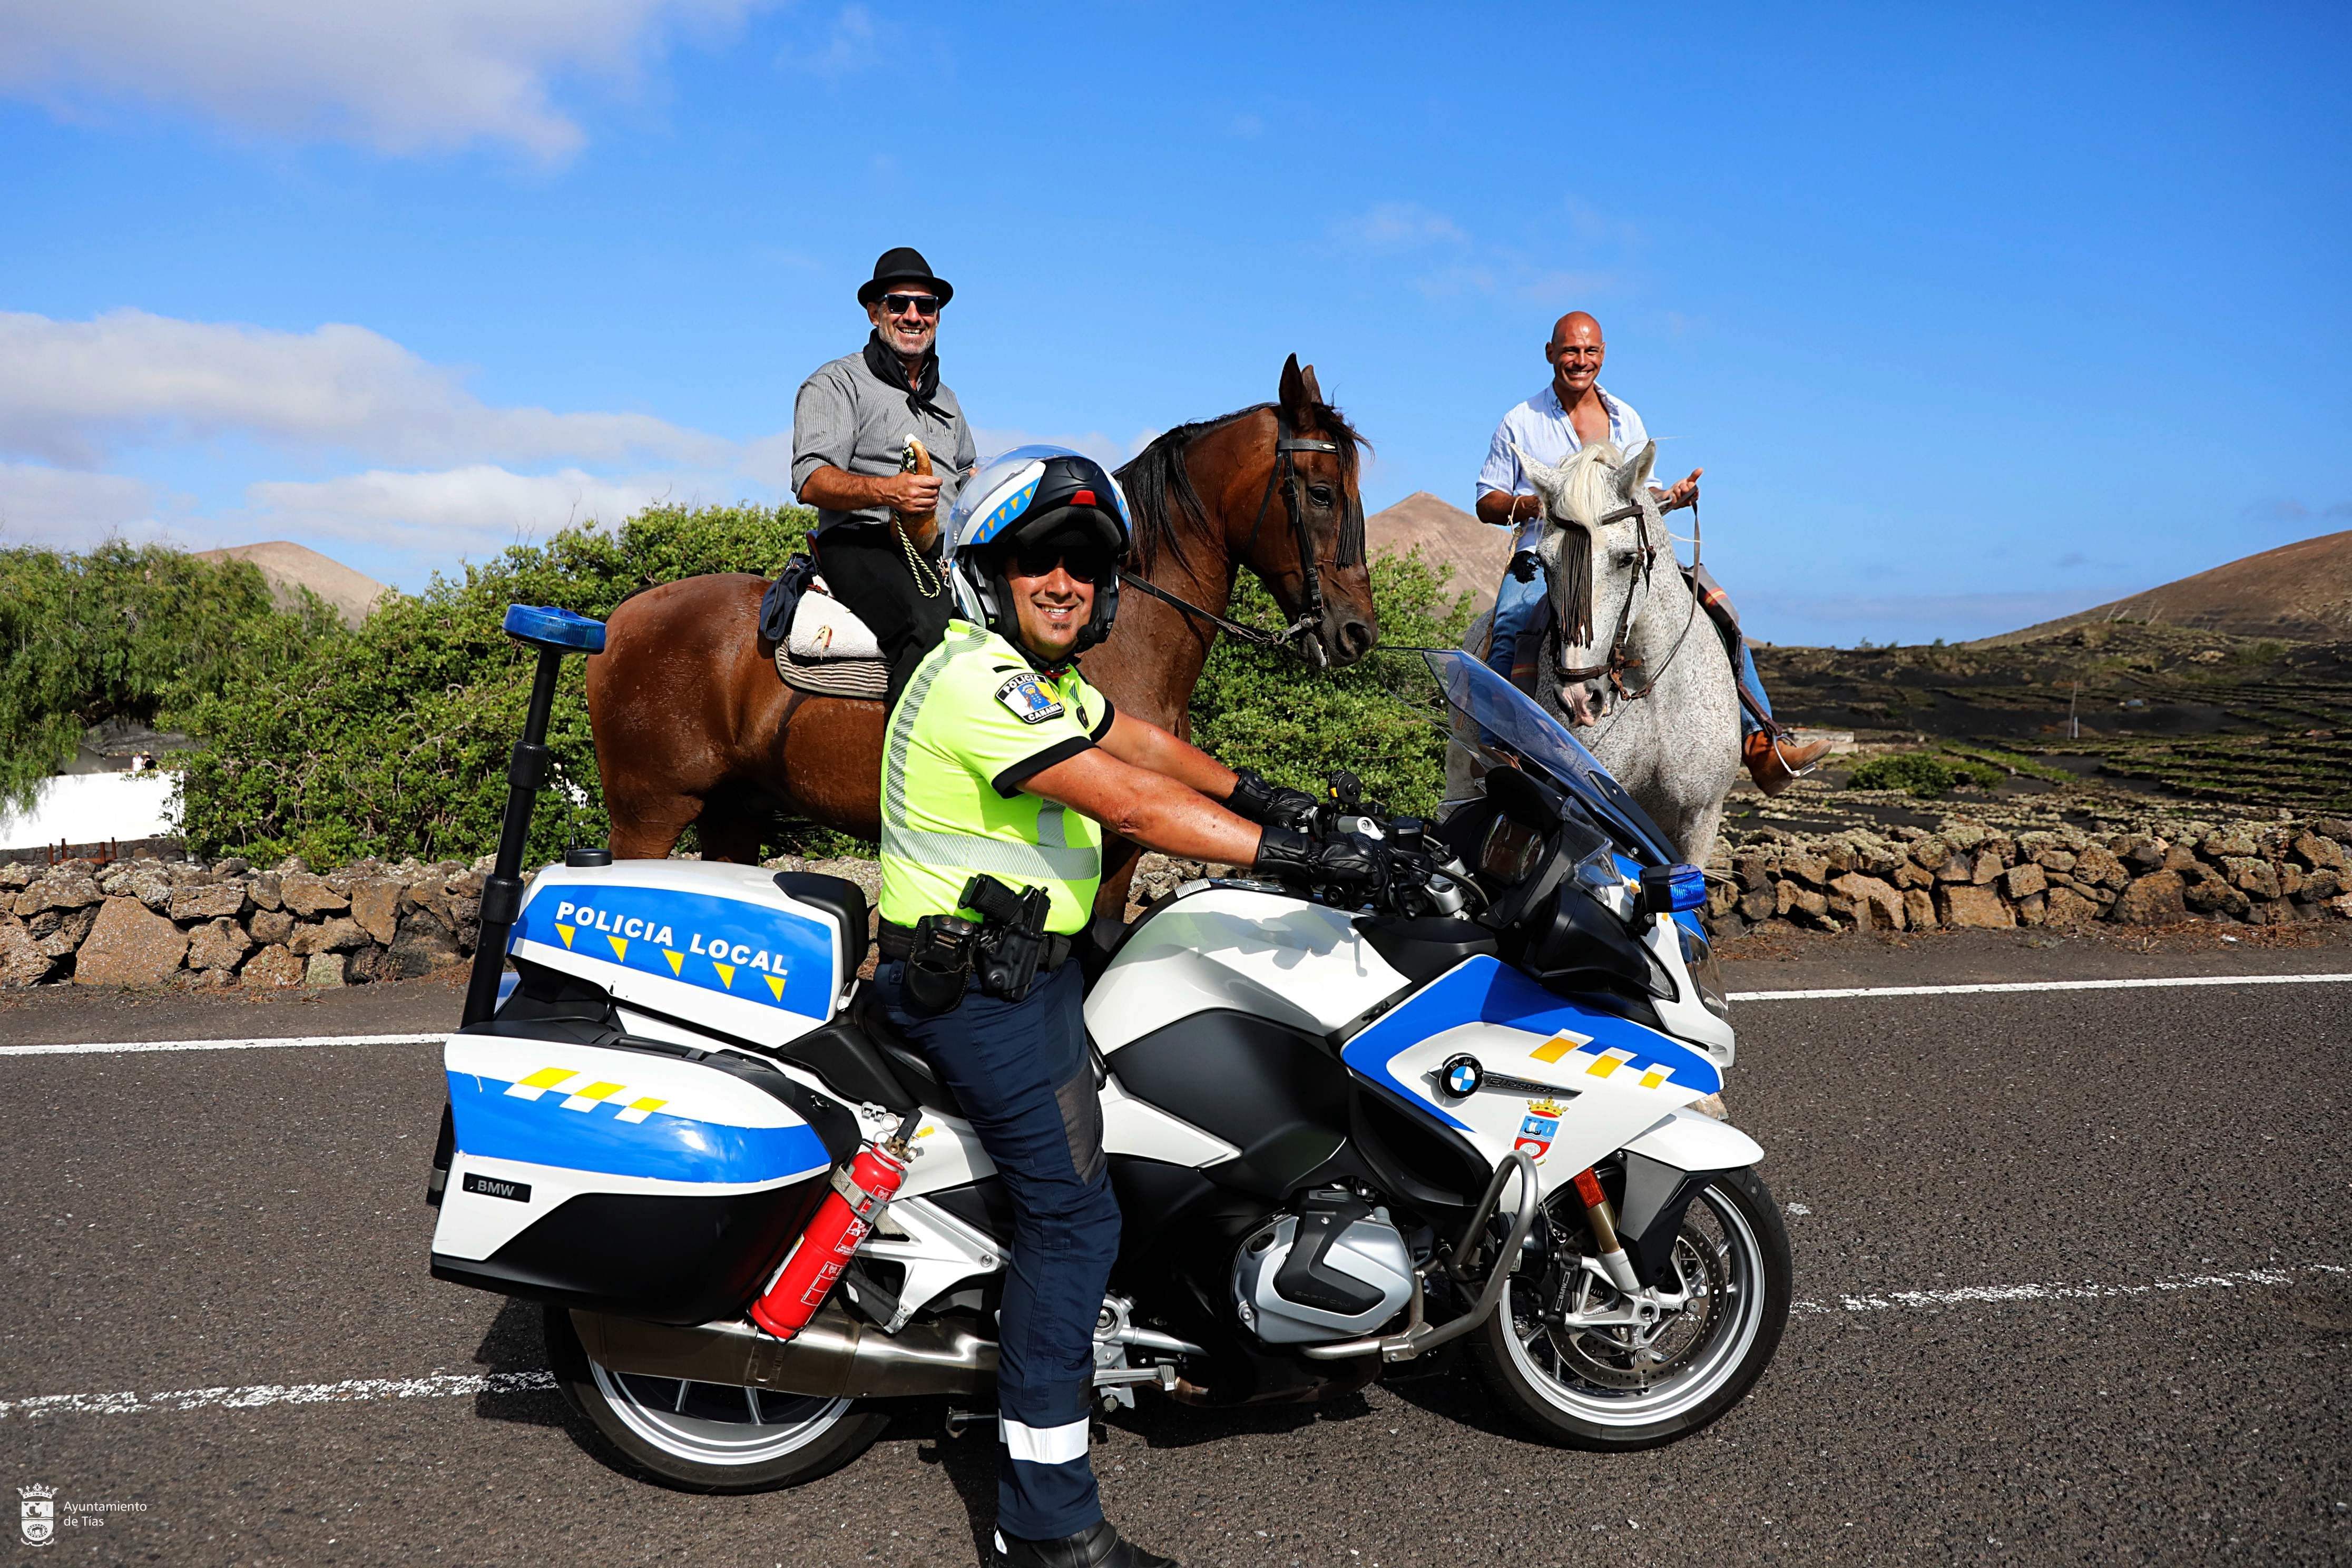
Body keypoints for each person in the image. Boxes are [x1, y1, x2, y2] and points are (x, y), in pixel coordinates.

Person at [869, 446, 1405, 1568]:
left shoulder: (1042, 679)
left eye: (1084, 563)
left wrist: (1272, 798)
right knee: (1073, 1221)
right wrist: (1300, 855)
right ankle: (1045, 1522)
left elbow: (1143, 745)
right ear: (990, 573)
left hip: (1035, 967)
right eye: (1038, 561)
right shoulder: (976, 680)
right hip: (979, 998)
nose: (1064, 581)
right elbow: (1128, 804)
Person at [1474, 311, 1831, 795]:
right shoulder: (1521, 421)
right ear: (1550, 353)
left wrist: (1673, 498)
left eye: (1590, 351)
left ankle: (1762, 744)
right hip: (1551, 551)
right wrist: (1547, 504)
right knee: (1512, 623)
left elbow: (1645, 498)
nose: (1580, 360)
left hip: (1621, 554)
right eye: (1571, 350)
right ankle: (1498, 748)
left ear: (1603, 355)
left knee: (1717, 608)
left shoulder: (1627, 418)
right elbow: (1487, 501)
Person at [792, 246, 981, 700]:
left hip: (943, 552)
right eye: (899, 304)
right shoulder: (837, 382)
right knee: (928, 629)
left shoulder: (949, 401)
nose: (913, 315)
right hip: (860, 541)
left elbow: (967, 472)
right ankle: (906, 747)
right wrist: (889, 492)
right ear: (875, 312)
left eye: (926, 306)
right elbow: (811, 479)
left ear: (937, 317)